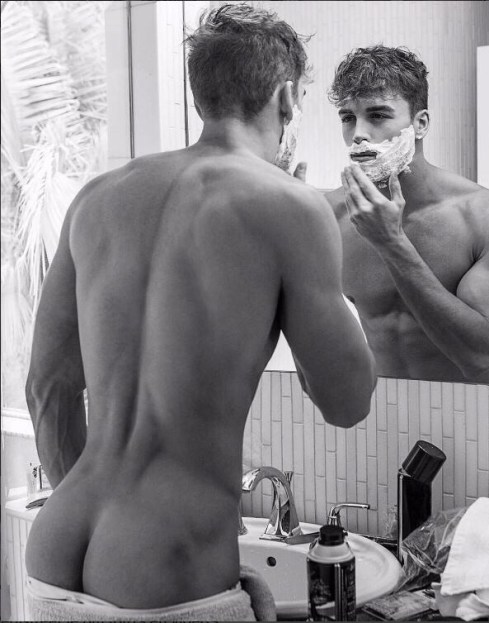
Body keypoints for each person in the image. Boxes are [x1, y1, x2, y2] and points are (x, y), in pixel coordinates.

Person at [24, 5, 376, 622]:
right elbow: (347, 402)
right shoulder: (289, 205)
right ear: (286, 97)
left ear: (200, 95)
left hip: (57, 544)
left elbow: (47, 390)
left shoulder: (96, 198)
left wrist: (109, 525)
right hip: (168, 558)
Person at [324, 45, 489, 383]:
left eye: (377, 115)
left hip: (470, 412)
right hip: (382, 409)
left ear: (420, 123)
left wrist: (391, 243)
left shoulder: (479, 216)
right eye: (348, 118)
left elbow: (482, 359)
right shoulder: (332, 214)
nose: (358, 134)